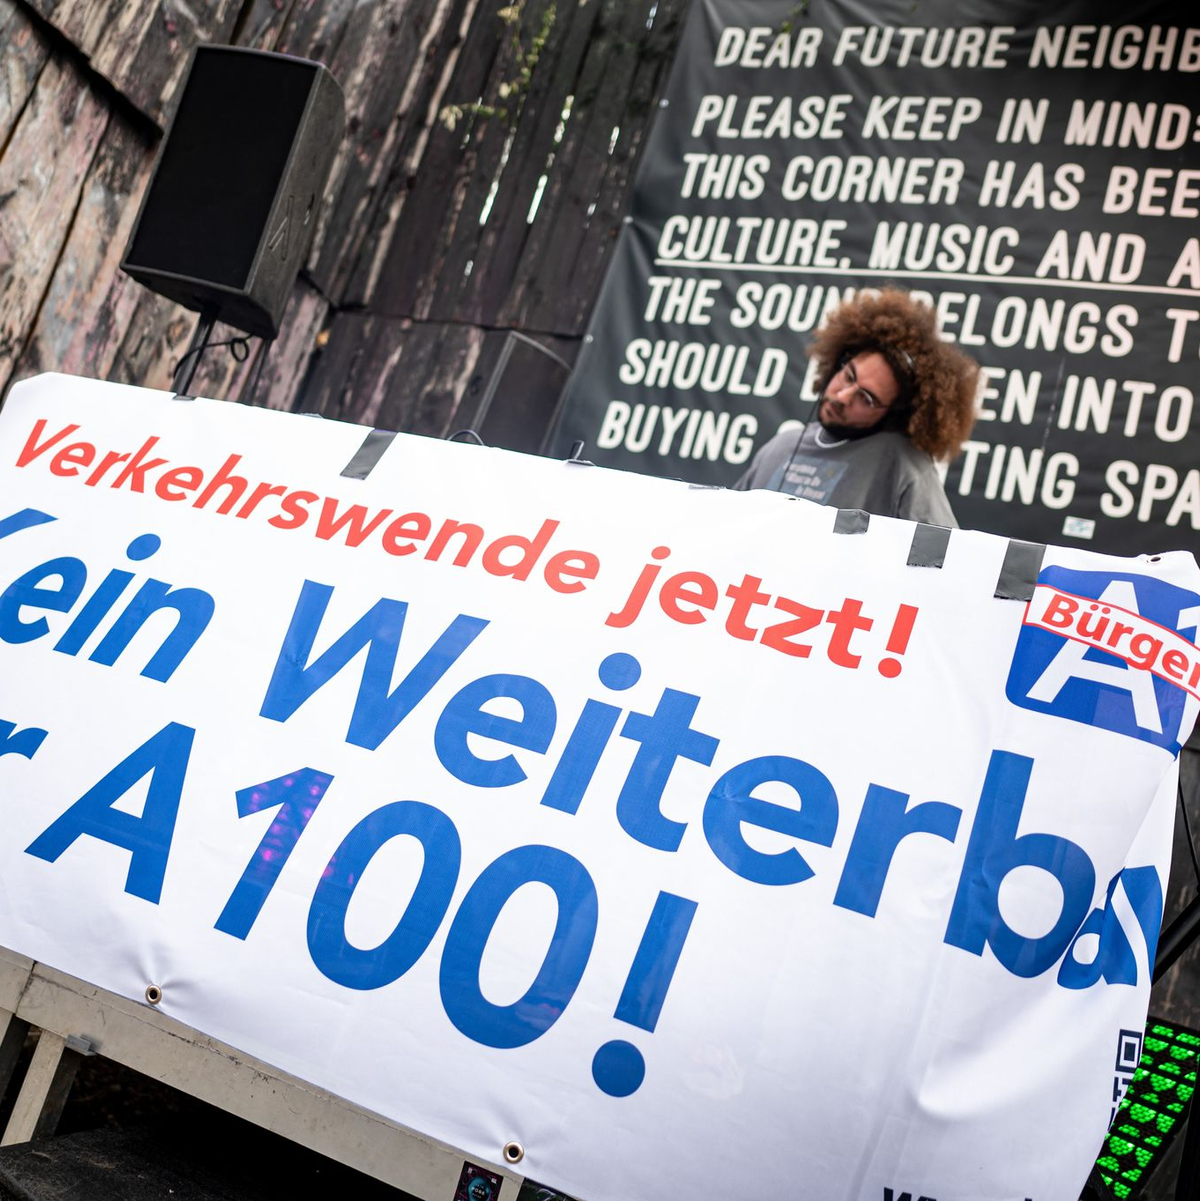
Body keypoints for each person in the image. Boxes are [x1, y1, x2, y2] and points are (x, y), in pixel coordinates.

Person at [734, 289, 979, 526]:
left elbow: (941, 550)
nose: (842, 396)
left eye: (866, 398)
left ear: (892, 414)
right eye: (848, 376)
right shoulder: (781, 446)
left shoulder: (905, 468)